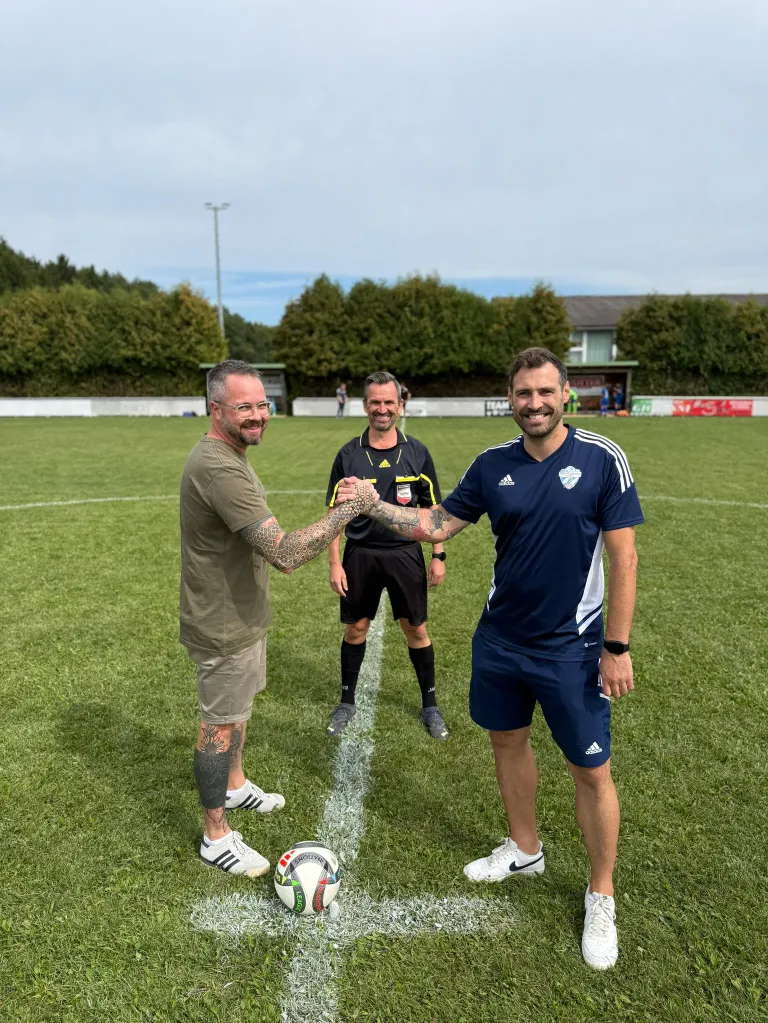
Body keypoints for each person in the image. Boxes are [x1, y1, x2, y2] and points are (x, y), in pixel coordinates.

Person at [338, 347, 643, 970]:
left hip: (574, 646)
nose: (533, 404)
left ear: (565, 395)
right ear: (510, 398)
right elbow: (437, 525)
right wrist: (372, 506)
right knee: (507, 744)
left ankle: (601, 893)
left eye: (544, 392)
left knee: (591, 772)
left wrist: (616, 647)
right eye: (522, 394)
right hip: (500, 642)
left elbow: (624, 559)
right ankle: (524, 847)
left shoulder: (601, 459)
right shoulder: (491, 465)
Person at [180, 360, 376, 878]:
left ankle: (236, 784)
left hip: (241, 614)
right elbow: (284, 552)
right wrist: (347, 510)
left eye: (262, 404)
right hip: (221, 623)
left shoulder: (232, 454)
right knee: (218, 725)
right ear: (215, 408)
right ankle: (215, 834)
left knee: (238, 710)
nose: (257, 415)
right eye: (244, 406)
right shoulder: (218, 467)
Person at [325, 371, 449, 740]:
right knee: (356, 628)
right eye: (375, 402)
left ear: (400, 405)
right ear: (365, 406)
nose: (382, 409)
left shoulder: (416, 452)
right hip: (360, 555)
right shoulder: (349, 454)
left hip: (405, 554)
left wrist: (438, 554)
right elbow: (333, 512)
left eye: (389, 402)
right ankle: (347, 701)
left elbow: (434, 509)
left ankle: (430, 706)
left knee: (416, 629)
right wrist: (334, 562)